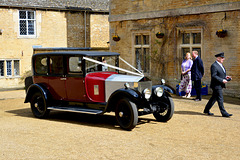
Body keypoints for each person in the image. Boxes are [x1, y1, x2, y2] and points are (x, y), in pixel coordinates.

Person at [204, 52, 232, 117]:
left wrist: (225, 77)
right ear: (218, 58)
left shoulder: (221, 65)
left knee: (213, 98)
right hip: (216, 85)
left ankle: (206, 110)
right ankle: (224, 113)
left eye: (223, 58)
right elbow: (214, 76)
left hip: (219, 84)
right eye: (222, 58)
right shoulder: (214, 65)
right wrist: (222, 80)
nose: (223, 59)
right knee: (220, 98)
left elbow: (220, 74)